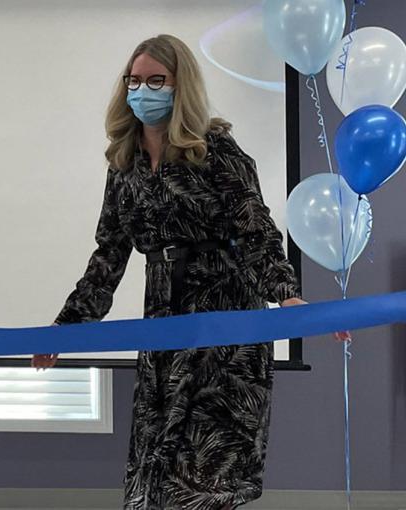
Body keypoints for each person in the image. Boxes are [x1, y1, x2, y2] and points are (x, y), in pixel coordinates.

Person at [32, 34, 327, 509]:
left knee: (204, 482)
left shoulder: (216, 150)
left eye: (155, 80)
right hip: (165, 329)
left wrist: (287, 295)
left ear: (179, 85)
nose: (141, 90)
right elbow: (109, 256)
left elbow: (257, 231)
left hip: (225, 330)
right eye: (134, 80)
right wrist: (65, 330)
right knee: (155, 474)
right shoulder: (123, 163)